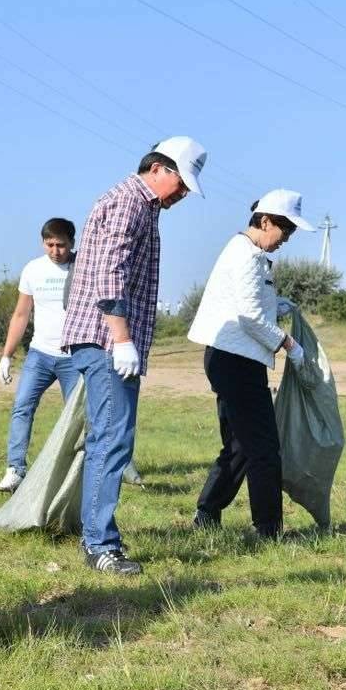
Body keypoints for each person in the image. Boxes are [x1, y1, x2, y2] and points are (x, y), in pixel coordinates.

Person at [61, 136, 208, 576]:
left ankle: (94, 532)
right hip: (107, 341)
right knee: (113, 439)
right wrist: (121, 339)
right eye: (181, 183)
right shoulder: (128, 202)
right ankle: (100, 544)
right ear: (159, 168)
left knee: (109, 438)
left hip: (108, 340)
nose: (182, 194)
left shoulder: (143, 206)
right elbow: (111, 273)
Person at [188, 190, 316, 539]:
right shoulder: (248, 257)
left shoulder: (244, 251)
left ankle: (207, 512)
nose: (286, 239)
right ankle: (268, 530)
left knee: (240, 445)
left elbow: (246, 303)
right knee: (263, 448)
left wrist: (275, 305)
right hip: (237, 362)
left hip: (228, 359)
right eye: (285, 230)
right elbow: (249, 318)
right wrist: (289, 344)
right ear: (265, 221)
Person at [0, 218, 79, 492]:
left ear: (72, 244)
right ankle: (15, 470)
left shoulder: (83, 268)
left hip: (74, 356)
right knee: (22, 407)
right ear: (43, 243)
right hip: (40, 354)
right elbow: (21, 314)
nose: (55, 251)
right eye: (50, 244)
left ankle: (78, 471)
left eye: (61, 245)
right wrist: (6, 355)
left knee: (78, 416)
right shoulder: (33, 269)